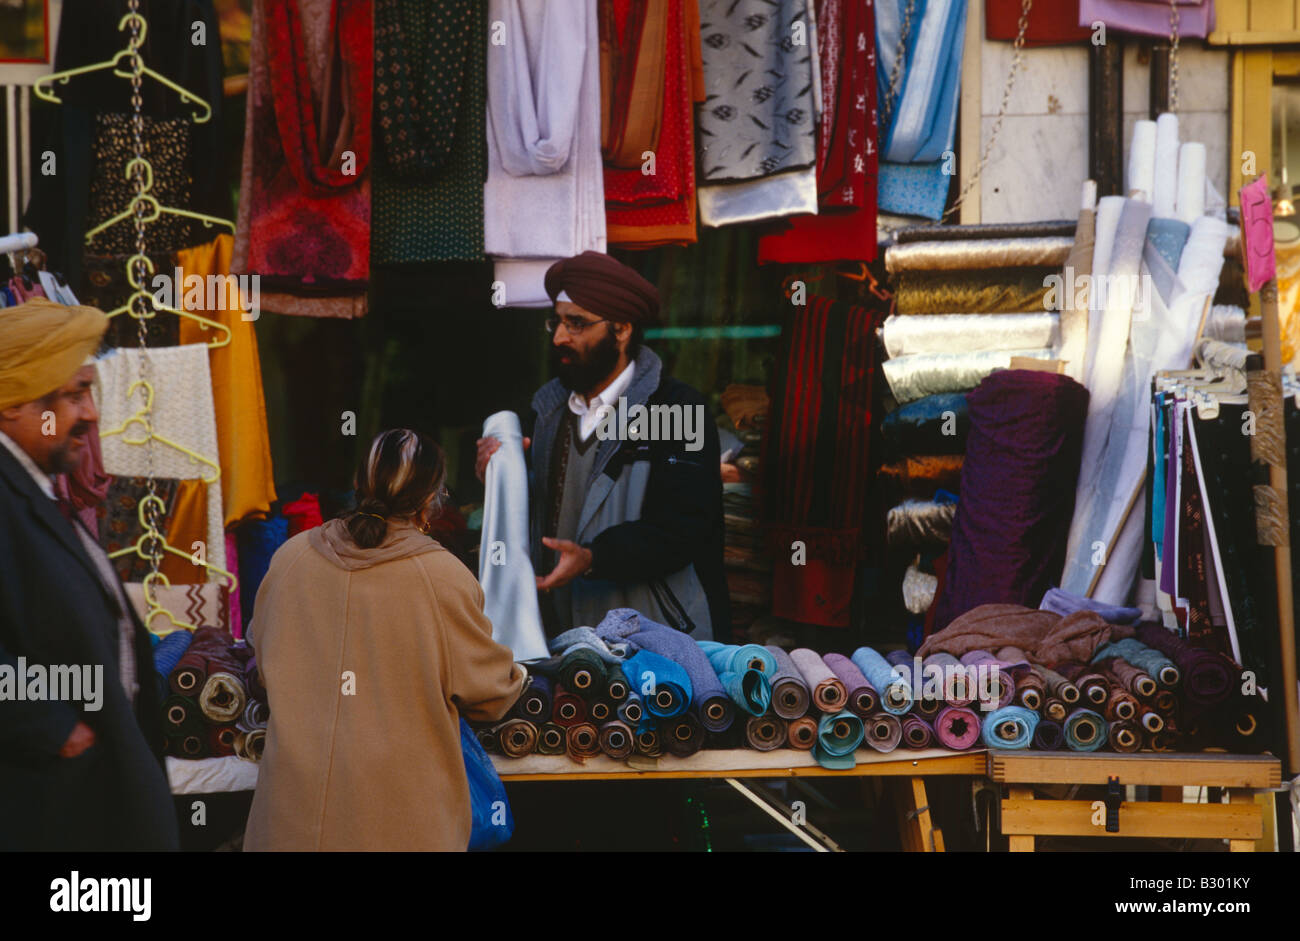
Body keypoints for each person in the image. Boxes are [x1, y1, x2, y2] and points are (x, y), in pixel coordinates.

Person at [245, 428, 526, 851]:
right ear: (431, 498)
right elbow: (488, 695)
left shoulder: (291, 558)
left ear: (359, 485)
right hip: (401, 825)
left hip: (291, 819)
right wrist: (520, 672)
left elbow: (263, 666)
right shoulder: (443, 577)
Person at [0, 297, 178, 851]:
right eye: (74, 394)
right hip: (51, 807)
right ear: (14, 402)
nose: (91, 414)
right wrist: (56, 730)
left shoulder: (31, 487)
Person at [476, 250, 727, 640]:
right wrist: (496, 475)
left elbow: (686, 526)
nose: (560, 337)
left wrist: (595, 559)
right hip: (561, 640)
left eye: (576, 324)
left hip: (655, 645)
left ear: (622, 329)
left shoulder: (679, 409)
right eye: (556, 323)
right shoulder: (546, 414)